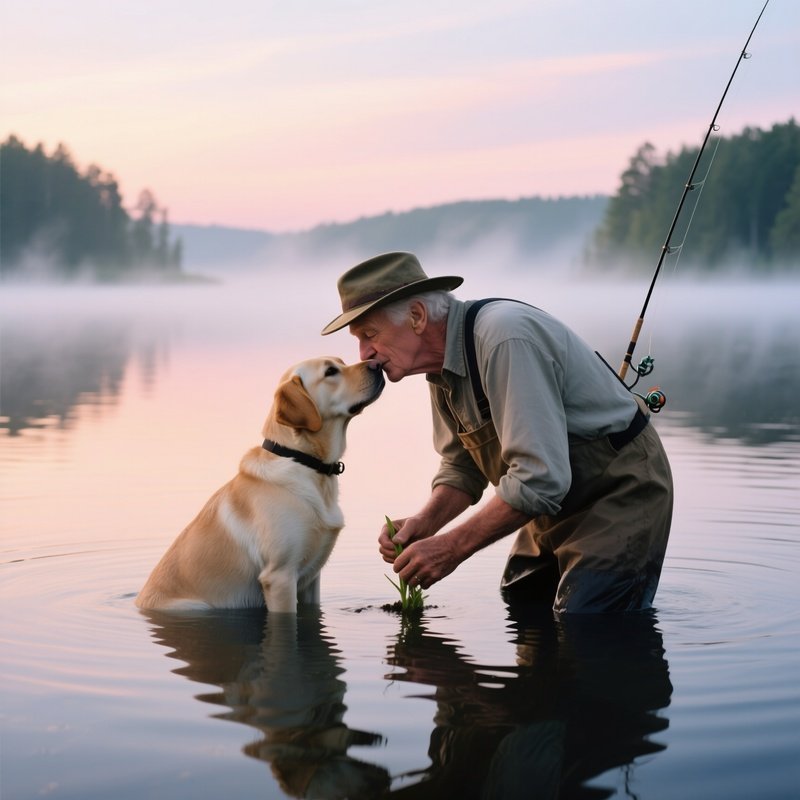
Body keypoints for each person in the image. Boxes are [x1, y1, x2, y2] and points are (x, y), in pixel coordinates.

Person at [321, 252, 674, 613]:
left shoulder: (505, 339)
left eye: (369, 334)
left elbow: (540, 481)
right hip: (555, 502)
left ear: (416, 316)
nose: (364, 354)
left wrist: (452, 547)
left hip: (619, 491)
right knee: (521, 601)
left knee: (583, 624)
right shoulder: (436, 366)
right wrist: (425, 523)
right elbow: (462, 466)